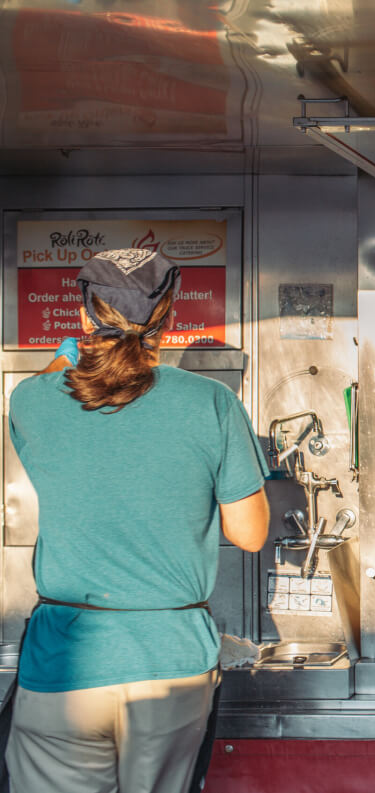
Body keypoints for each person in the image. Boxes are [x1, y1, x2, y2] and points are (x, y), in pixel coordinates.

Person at [4, 248, 271, 793]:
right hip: (169, 660)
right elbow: (250, 533)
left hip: (64, 663)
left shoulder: (30, 401)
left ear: (82, 317)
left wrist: (69, 354)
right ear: (169, 319)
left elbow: (60, 380)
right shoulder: (213, 403)